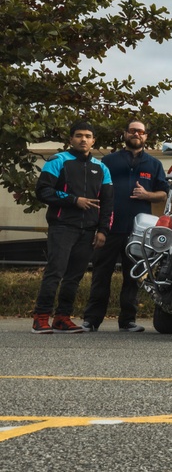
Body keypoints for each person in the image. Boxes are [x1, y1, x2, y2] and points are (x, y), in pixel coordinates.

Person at [83, 119, 169, 333]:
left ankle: (127, 321)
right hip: (109, 228)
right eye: (132, 131)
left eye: (140, 131)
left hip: (139, 232)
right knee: (101, 275)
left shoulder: (154, 164)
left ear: (146, 136)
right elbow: (95, 190)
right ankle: (92, 320)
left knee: (133, 277)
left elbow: (163, 194)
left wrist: (147, 195)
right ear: (125, 134)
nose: (136, 134)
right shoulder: (109, 161)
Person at [31, 120, 113, 334]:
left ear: (93, 141)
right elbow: (43, 191)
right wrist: (73, 200)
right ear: (70, 139)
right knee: (55, 272)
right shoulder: (58, 160)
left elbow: (108, 203)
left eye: (87, 136)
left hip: (89, 230)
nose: (83, 139)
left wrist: (103, 230)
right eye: (78, 135)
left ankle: (62, 318)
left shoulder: (102, 168)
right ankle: (40, 317)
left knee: (74, 277)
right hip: (62, 227)